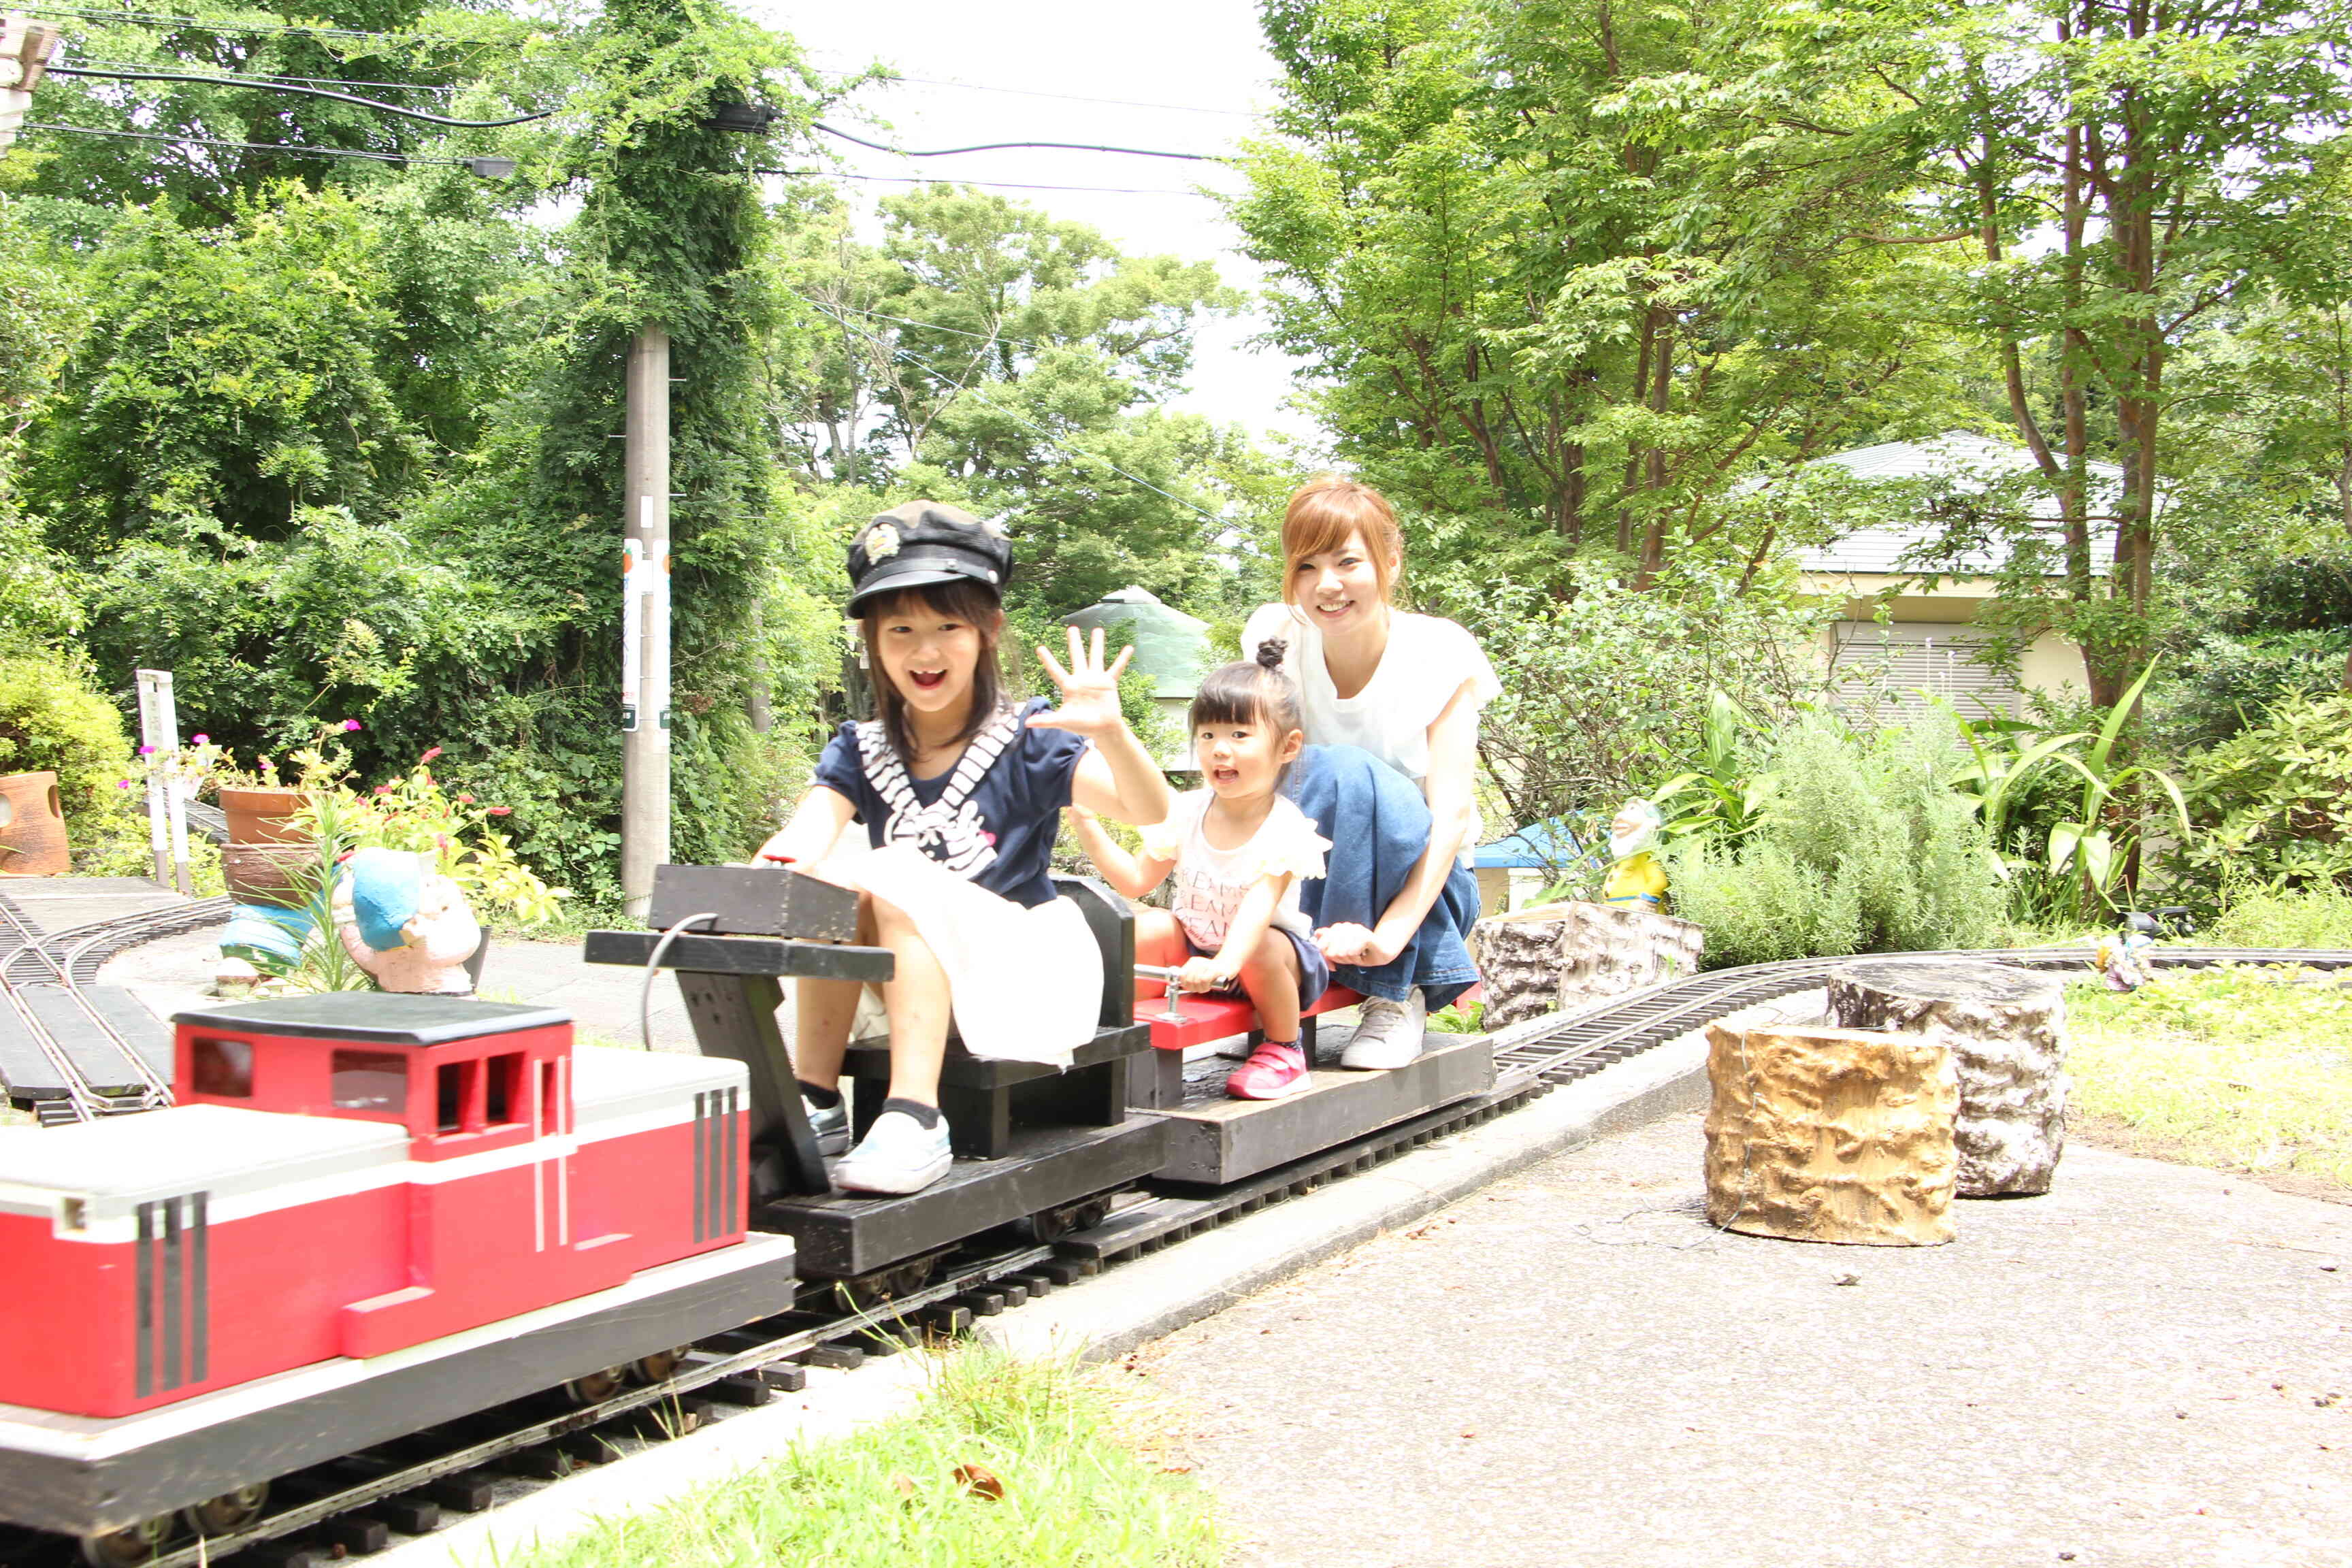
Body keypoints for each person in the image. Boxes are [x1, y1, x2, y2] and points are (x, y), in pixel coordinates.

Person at [752, 501, 1173, 1196]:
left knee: (888, 875)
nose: (925, 651)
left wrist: (1114, 734)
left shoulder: (1032, 736)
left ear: (987, 631)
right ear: (871, 640)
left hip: (1025, 975)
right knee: (834, 882)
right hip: (910, 980)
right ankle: (817, 1097)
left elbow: (1147, 810)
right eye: (901, 630)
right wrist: (769, 872)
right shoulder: (861, 749)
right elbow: (806, 834)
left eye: (948, 626)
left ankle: (917, 1118)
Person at [1240, 477, 1501, 1068]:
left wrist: (1389, 940)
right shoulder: (1275, 636)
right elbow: (1248, 770)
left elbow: (1452, 816)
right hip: (1308, 872)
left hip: (1423, 885)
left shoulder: (1439, 650)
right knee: (1299, 772)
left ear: (1389, 561)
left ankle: (1394, 995)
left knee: (1347, 769)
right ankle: (1278, 991)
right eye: (1305, 566)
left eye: (1347, 562)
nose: (1325, 585)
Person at [1066, 643, 1333, 1100]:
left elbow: (1258, 906)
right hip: (1193, 955)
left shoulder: (1284, 825)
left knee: (1262, 946)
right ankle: (1099, 1025)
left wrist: (1224, 965)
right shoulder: (1186, 811)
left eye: (1239, 736)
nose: (1219, 751)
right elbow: (1135, 881)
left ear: (1287, 747)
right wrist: (1088, 824)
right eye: (1208, 736)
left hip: (1272, 964)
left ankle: (1284, 1050)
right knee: (1149, 925)